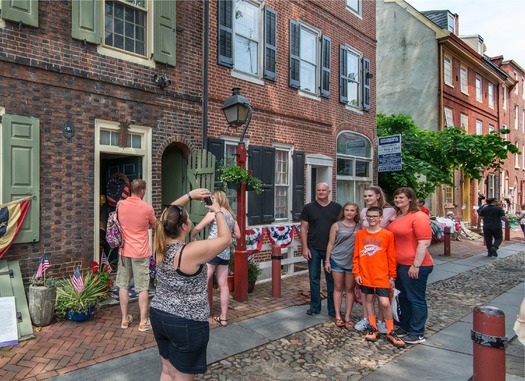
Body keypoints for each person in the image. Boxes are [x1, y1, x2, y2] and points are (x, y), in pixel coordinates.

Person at [150, 189, 231, 380]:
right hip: (186, 322)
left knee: (167, 371)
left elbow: (165, 217)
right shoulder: (189, 251)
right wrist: (217, 210)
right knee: (183, 376)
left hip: (160, 315)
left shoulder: (159, 245)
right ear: (185, 226)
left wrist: (188, 196)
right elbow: (226, 239)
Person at [352, 206, 405, 347]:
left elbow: (391, 257)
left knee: (384, 302)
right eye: (369, 216)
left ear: (381, 217)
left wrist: (392, 276)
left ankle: (390, 330)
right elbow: (356, 255)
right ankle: (373, 327)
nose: (372, 219)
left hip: (382, 275)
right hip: (366, 273)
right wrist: (356, 272)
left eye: (375, 216)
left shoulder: (387, 235)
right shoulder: (360, 234)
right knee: (368, 300)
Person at [387, 187, 433, 345]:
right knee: (403, 298)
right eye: (396, 198)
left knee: (415, 299)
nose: (398, 200)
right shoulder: (399, 216)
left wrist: (416, 265)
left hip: (414, 265)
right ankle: (405, 326)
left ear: (410, 199)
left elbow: (424, 242)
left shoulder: (418, 216)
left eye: (401, 198)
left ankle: (417, 331)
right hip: (400, 264)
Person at [191, 191, 240, 327]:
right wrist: (228, 233)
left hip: (213, 250)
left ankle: (198, 313)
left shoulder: (214, 213)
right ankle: (223, 318)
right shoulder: (231, 215)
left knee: (202, 281)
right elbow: (238, 234)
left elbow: (199, 226)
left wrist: (194, 236)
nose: (211, 201)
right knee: (223, 285)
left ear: (217, 200)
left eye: (212, 198)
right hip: (225, 252)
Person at [116, 179, 156, 331]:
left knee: (123, 285)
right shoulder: (147, 207)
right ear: (142, 191)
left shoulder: (121, 205)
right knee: (142, 287)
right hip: (140, 251)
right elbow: (154, 224)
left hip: (124, 250)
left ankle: (124, 320)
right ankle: (143, 321)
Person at [357, 185, 396, 333]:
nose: (367, 199)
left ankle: (381, 321)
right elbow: (362, 230)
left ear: (378, 196)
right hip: (366, 256)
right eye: (365, 196)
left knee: (382, 297)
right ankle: (368, 319)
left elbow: (394, 227)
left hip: (381, 256)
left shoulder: (389, 211)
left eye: (370, 196)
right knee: (367, 295)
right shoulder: (363, 211)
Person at [300, 182, 342, 317]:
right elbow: (303, 228)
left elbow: (342, 226)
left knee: (331, 280)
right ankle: (315, 306)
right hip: (313, 247)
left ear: (329, 192)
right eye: (318, 190)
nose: (321, 192)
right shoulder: (309, 208)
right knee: (314, 278)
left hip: (332, 249)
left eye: (323, 190)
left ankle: (332, 309)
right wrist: (305, 247)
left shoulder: (337, 207)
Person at [325, 202, 361, 329]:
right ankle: (338, 316)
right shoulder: (336, 225)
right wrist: (327, 260)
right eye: (347, 210)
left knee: (350, 289)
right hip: (337, 259)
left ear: (356, 212)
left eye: (352, 210)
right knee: (338, 287)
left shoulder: (359, 227)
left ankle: (348, 316)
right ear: (343, 211)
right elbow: (330, 243)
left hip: (352, 261)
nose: (349, 212)